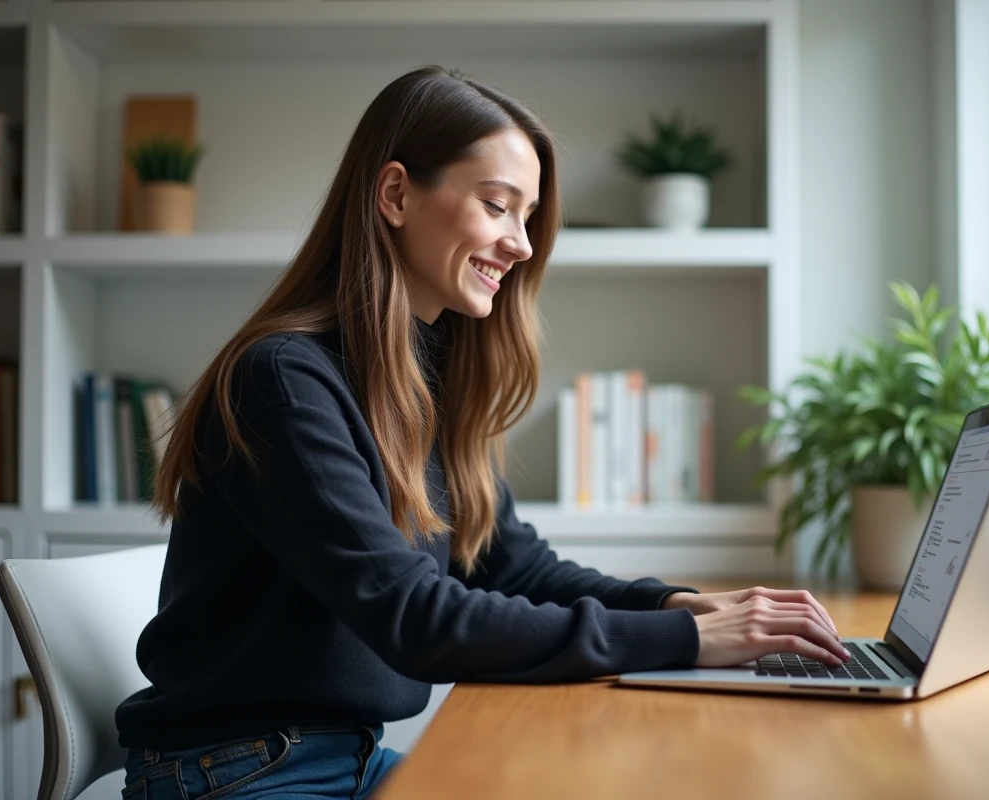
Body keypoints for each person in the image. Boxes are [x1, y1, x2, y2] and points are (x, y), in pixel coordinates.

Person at [115, 65, 851, 800]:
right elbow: (416, 618)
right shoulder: (283, 381)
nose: (523, 244)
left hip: (340, 760)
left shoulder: (416, 381)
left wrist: (673, 607)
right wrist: (687, 643)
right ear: (396, 194)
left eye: (527, 217)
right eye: (498, 206)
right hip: (238, 772)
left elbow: (511, 567)